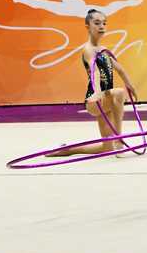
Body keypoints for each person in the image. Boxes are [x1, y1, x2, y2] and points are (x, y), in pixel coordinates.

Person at [46, 9, 138, 157]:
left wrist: (131, 86)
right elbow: (95, 71)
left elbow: (120, 69)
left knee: (106, 148)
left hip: (107, 99)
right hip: (95, 100)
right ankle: (119, 139)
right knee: (120, 92)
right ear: (87, 26)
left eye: (104, 23)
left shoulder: (104, 50)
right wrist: (97, 92)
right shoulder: (88, 50)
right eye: (97, 23)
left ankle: (68, 150)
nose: (101, 26)